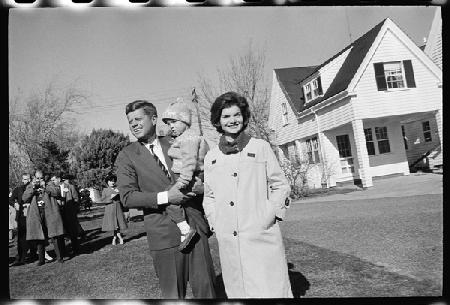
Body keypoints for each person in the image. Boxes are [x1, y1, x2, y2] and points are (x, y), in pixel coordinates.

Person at [115, 100, 216, 299]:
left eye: (138, 119)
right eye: (130, 121)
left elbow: (208, 171)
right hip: (163, 235)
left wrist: (202, 187)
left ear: (153, 119)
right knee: (173, 295)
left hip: (196, 227)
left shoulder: (177, 141)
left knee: (208, 291)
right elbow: (127, 197)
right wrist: (166, 197)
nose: (134, 124)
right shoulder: (127, 155)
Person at [202, 91, 292, 298]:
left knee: (270, 289)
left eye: (236, 115)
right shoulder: (211, 157)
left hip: (261, 235)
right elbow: (210, 196)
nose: (232, 120)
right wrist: (217, 222)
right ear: (218, 120)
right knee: (239, 291)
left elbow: (280, 186)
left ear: (243, 117)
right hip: (229, 240)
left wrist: (267, 216)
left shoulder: (260, 147)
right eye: (226, 116)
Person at [161, 99, 210, 251]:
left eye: (174, 122)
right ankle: (204, 226)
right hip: (187, 175)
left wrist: (183, 181)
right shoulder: (184, 138)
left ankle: (186, 230)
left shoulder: (189, 138)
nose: (171, 126)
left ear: (184, 120)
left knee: (168, 200)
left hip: (187, 176)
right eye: (168, 124)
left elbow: (189, 162)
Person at [23, 170, 66, 265]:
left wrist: (45, 187)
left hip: (49, 212)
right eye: (37, 178)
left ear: (44, 178)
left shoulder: (49, 184)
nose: (39, 180)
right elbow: (24, 198)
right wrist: (33, 188)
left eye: (41, 178)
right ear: (34, 178)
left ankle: (60, 257)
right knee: (39, 236)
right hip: (37, 213)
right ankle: (41, 259)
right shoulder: (30, 186)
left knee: (54, 235)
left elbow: (57, 192)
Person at [50, 173, 83, 256]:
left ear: (58, 179)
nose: (53, 182)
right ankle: (64, 252)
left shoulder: (70, 187)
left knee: (72, 232)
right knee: (61, 234)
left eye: (54, 180)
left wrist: (73, 210)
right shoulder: (53, 189)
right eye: (52, 181)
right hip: (59, 213)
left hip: (69, 213)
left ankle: (76, 250)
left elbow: (76, 199)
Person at [9, 173, 38, 266]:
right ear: (22, 180)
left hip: (32, 215)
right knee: (21, 238)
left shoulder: (34, 188)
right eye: (24, 179)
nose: (26, 181)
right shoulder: (18, 189)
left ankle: (34, 254)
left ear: (30, 179)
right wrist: (14, 204)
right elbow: (10, 199)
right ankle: (21, 257)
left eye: (28, 179)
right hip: (22, 216)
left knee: (33, 236)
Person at [101, 173, 128, 245]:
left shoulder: (118, 189)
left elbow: (123, 199)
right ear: (107, 182)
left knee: (118, 224)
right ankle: (118, 238)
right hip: (110, 209)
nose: (112, 182)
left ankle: (115, 238)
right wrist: (110, 197)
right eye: (110, 181)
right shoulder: (105, 190)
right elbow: (102, 200)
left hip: (118, 208)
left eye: (113, 181)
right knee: (113, 224)